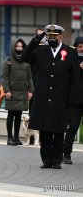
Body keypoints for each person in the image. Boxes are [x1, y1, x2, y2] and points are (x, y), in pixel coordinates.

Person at [22, 24, 80, 169]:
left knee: (59, 130)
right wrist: (36, 39)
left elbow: (75, 79)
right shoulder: (41, 50)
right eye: (49, 36)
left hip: (61, 98)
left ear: (60, 36)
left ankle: (57, 160)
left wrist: (71, 101)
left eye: (55, 36)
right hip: (43, 98)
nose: (52, 38)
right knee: (45, 130)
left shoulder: (70, 53)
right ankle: (46, 160)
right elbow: (25, 57)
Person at [1, 39, 34, 146]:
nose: (19, 48)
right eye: (17, 46)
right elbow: (5, 77)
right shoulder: (8, 61)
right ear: (13, 48)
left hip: (23, 92)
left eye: (21, 47)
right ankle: (9, 137)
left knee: (19, 115)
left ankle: (16, 138)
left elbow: (30, 77)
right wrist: (7, 91)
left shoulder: (26, 62)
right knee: (11, 115)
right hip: (11, 92)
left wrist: (31, 91)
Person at [63, 36, 83, 164]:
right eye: (79, 46)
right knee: (73, 128)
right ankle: (66, 154)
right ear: (75, 47)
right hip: (75, 101)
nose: (82, 49)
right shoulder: (70, 59)